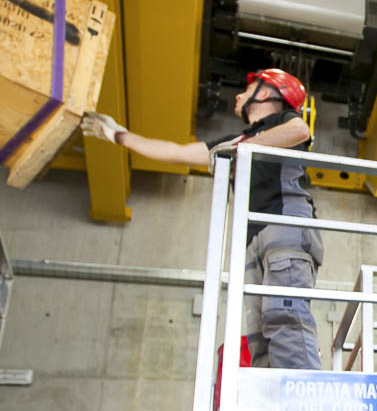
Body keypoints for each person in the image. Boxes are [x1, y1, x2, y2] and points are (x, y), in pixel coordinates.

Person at [80, 68, 324, 369]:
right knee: (260, 335)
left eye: (247, 90)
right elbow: (177, 152)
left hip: (285, 224)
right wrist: (117, 134)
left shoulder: (281, 122)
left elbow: (299, 131)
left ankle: (300, 390)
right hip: (254, 237)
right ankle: (271, 396)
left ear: (265, 93)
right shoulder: (238, 139)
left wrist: (241, 148)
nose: (239, 95)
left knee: (284, 317)